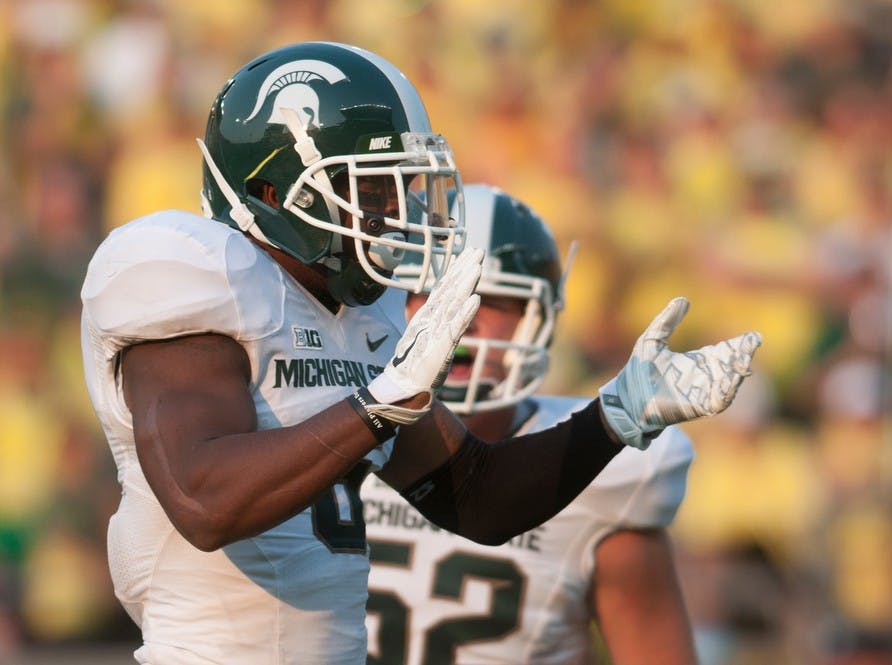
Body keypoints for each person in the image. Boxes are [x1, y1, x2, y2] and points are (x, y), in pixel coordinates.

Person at [79, 41, 762, 665]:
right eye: (372, 186)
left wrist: (617, 415)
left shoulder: (363, 315)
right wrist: (376, 407)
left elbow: (479, 496)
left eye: (402, 185)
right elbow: (204, 501)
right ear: (272, 190)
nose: (399, 207)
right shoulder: (196, 275)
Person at [363, 184, 699, 665]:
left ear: (534, 320)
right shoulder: (326, 423)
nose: (458, 319)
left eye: (489, 297)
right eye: (427, 293)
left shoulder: (602, 468)